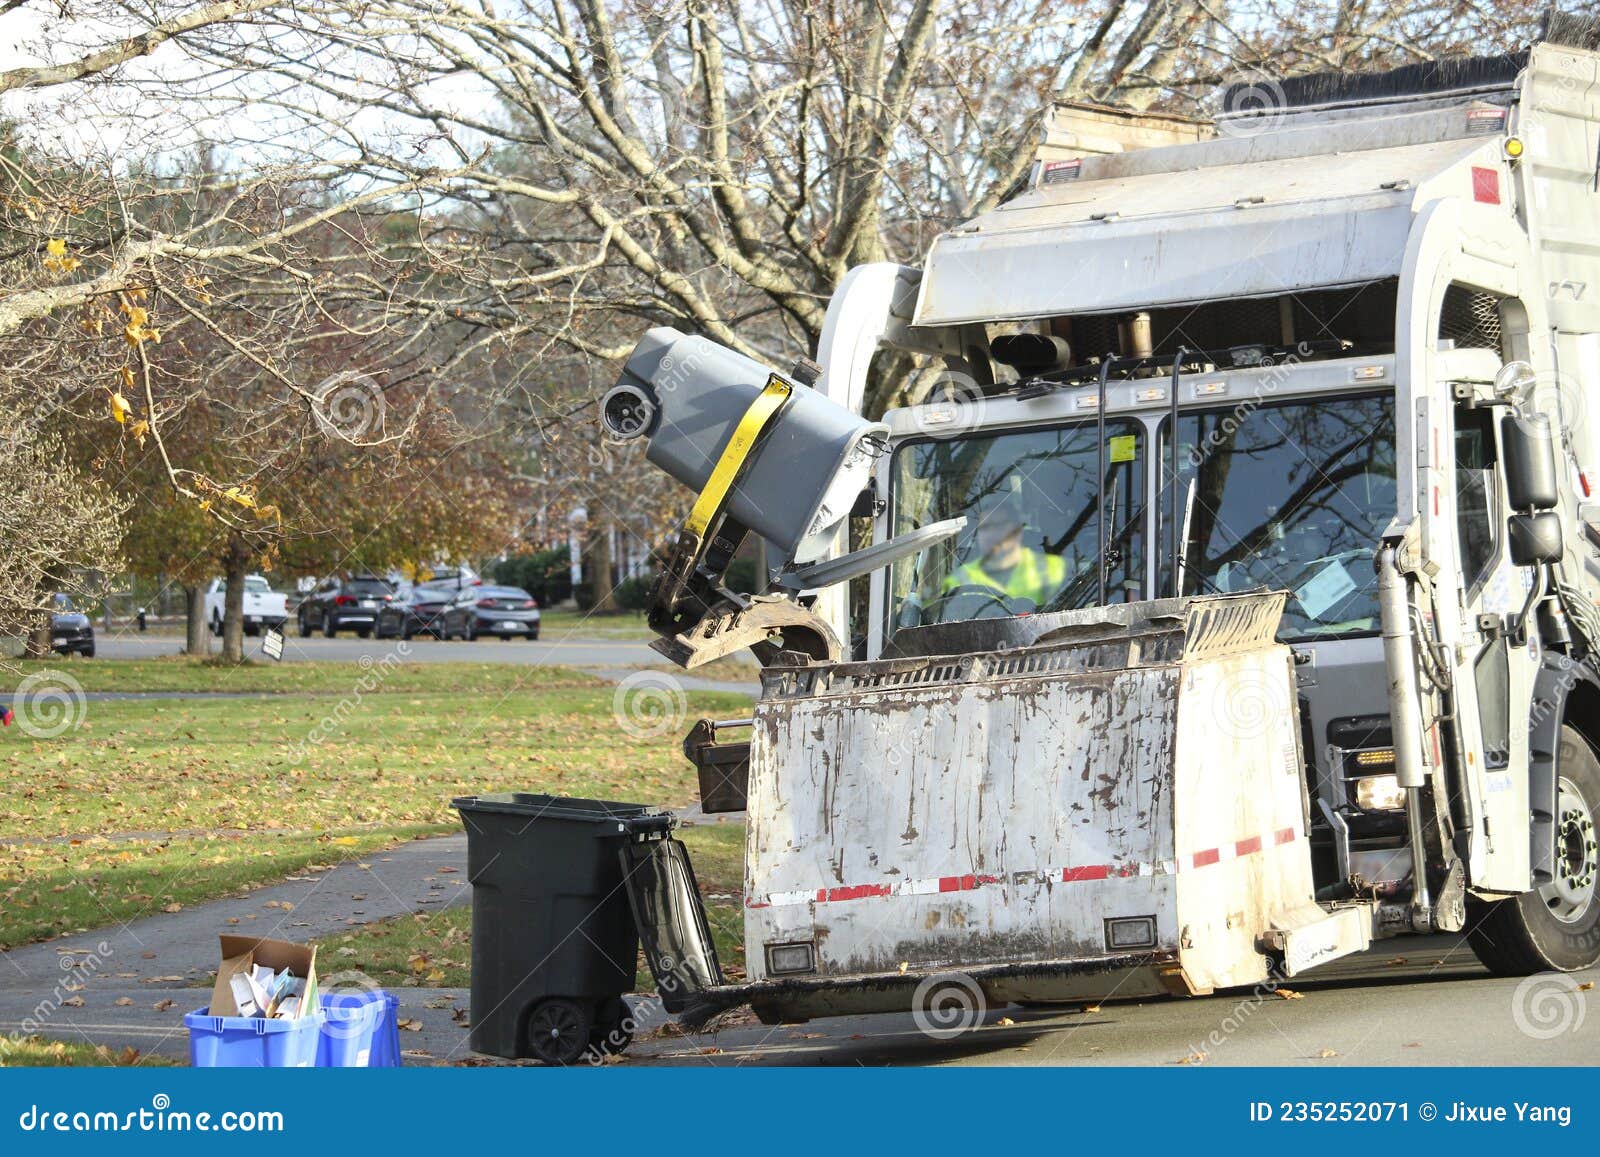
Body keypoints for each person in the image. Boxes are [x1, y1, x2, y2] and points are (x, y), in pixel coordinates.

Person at [941, 493, 1067, 609]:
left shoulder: (1052, 571)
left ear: (1017, 531)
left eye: (999, 526)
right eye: (985, 527)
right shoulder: (957, 579)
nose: (991, 535)